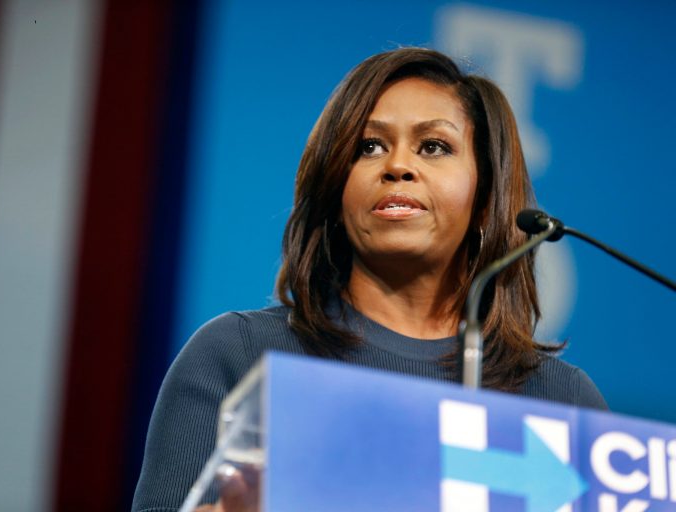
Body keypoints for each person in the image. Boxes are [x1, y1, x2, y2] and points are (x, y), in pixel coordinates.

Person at [131, 47, 607, 512]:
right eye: (369, 147)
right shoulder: (239, 354)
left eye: (434, 146)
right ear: (337, 188)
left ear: (486, 198)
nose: (397, 166)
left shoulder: (560, 401)